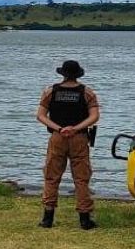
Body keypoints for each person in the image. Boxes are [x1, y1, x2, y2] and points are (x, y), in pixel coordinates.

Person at [36, 59, 100, 229]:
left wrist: (59, 128)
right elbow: (94, 116)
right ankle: (84, 219)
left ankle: (47, 218)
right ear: (78, 74)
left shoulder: (50, 92)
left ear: (63, 74)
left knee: (51, 176)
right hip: (79, 138)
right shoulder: (87, 93)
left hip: (57, 137)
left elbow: (41, 115)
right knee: (81, 178)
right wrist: (75, 128)